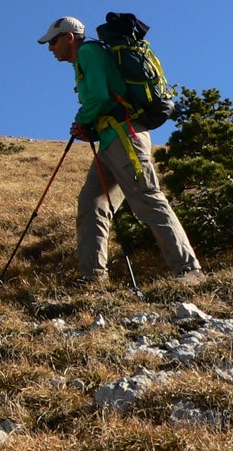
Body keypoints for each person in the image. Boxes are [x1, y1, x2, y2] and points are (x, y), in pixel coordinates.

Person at [38, 16, 204, 286]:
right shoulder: (87, 57)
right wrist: (91, 129)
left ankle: (189, 270)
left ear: (69, 38)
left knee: (147, 198)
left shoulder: (88, 52)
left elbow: (100, 96)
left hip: (125, 137)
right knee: (92, 202)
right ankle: (92, 277)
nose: (50, 48)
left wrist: (82, 120)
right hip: (110, 140)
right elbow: (108, 98)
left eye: (53, 42)